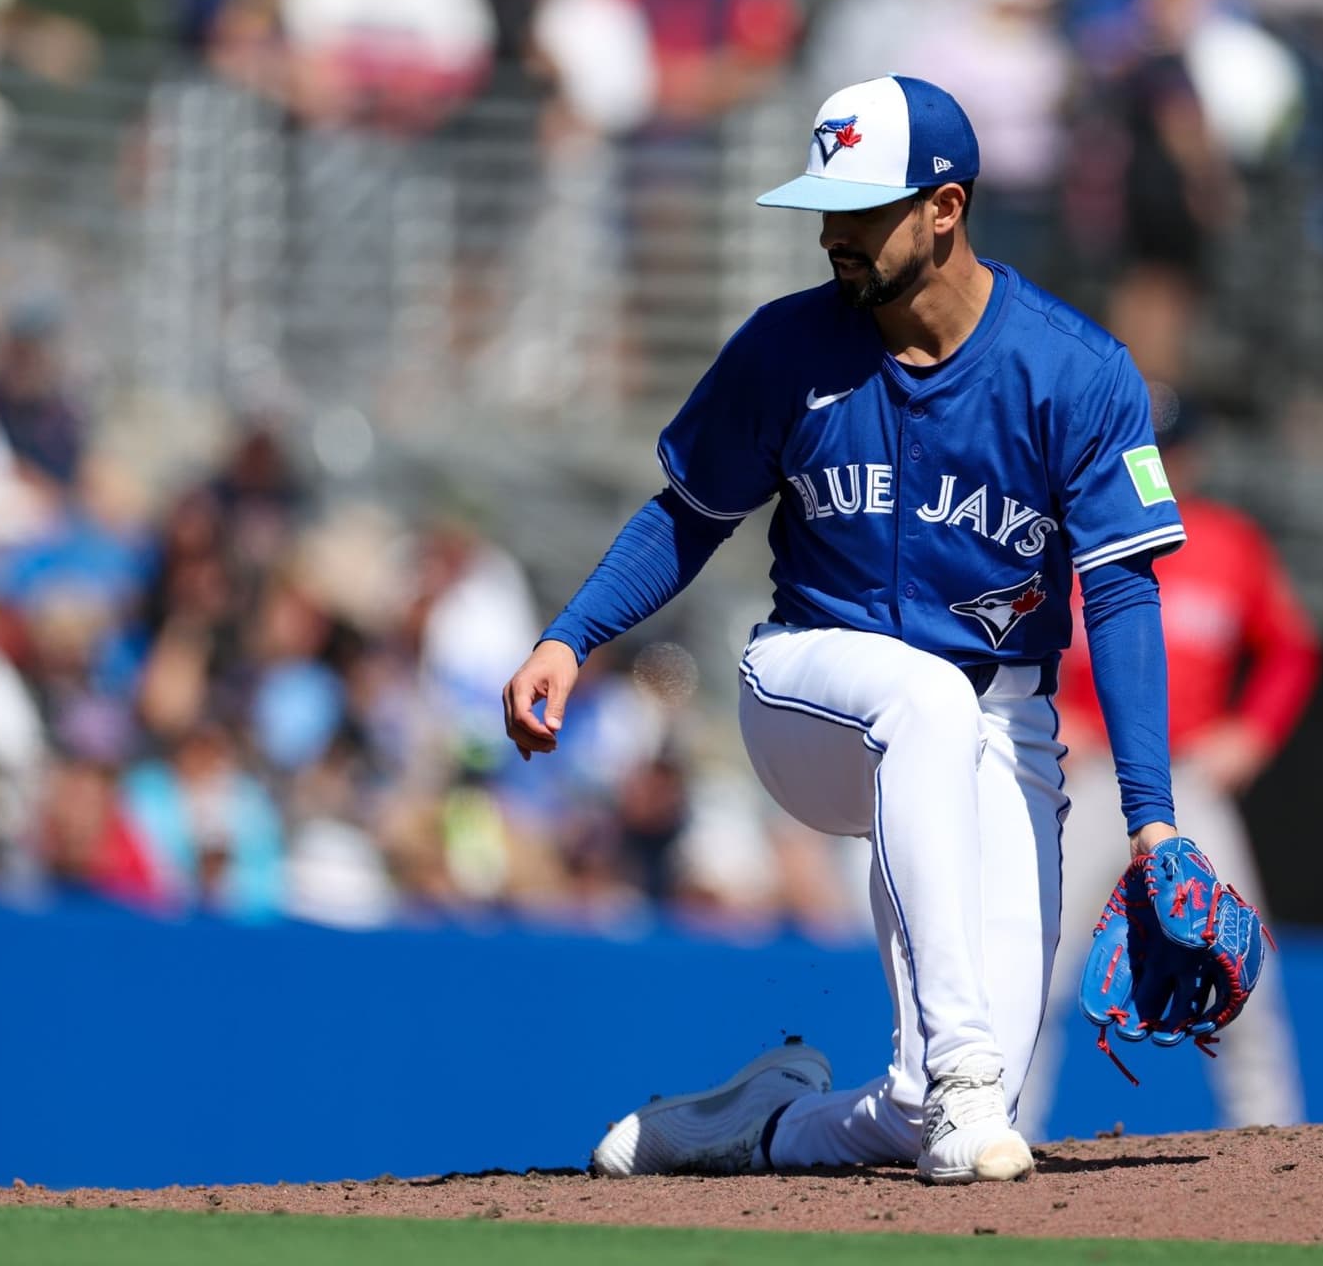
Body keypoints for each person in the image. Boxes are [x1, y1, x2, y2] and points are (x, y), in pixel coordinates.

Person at [502, 76, 1187, 1185]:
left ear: (946, 209)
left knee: (952, 1113)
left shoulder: (1075, 370)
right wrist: (570, 636)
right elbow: (690, 515)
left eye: (862, 209)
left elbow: (1120, 590)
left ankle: (764, 1122)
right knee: (922, 698)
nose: (833, 234)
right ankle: (960, 1069)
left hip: (1000, 722)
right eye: (826, 207)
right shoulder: (786, 348)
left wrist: (1151, 820)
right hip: (808, 689)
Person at [1017, 394, 1318, 1137]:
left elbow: (1291, 649)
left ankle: (1270, 1140)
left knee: (1241, 960)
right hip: (1086, 783)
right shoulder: (1068, 538)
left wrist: (1254, 734)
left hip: (1187, 784)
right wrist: (1053, 715)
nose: (1164, 464)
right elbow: (1009, 634)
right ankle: (1001, 1126)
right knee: (1040, 964)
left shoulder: (1229, 543)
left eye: (1172, 451)